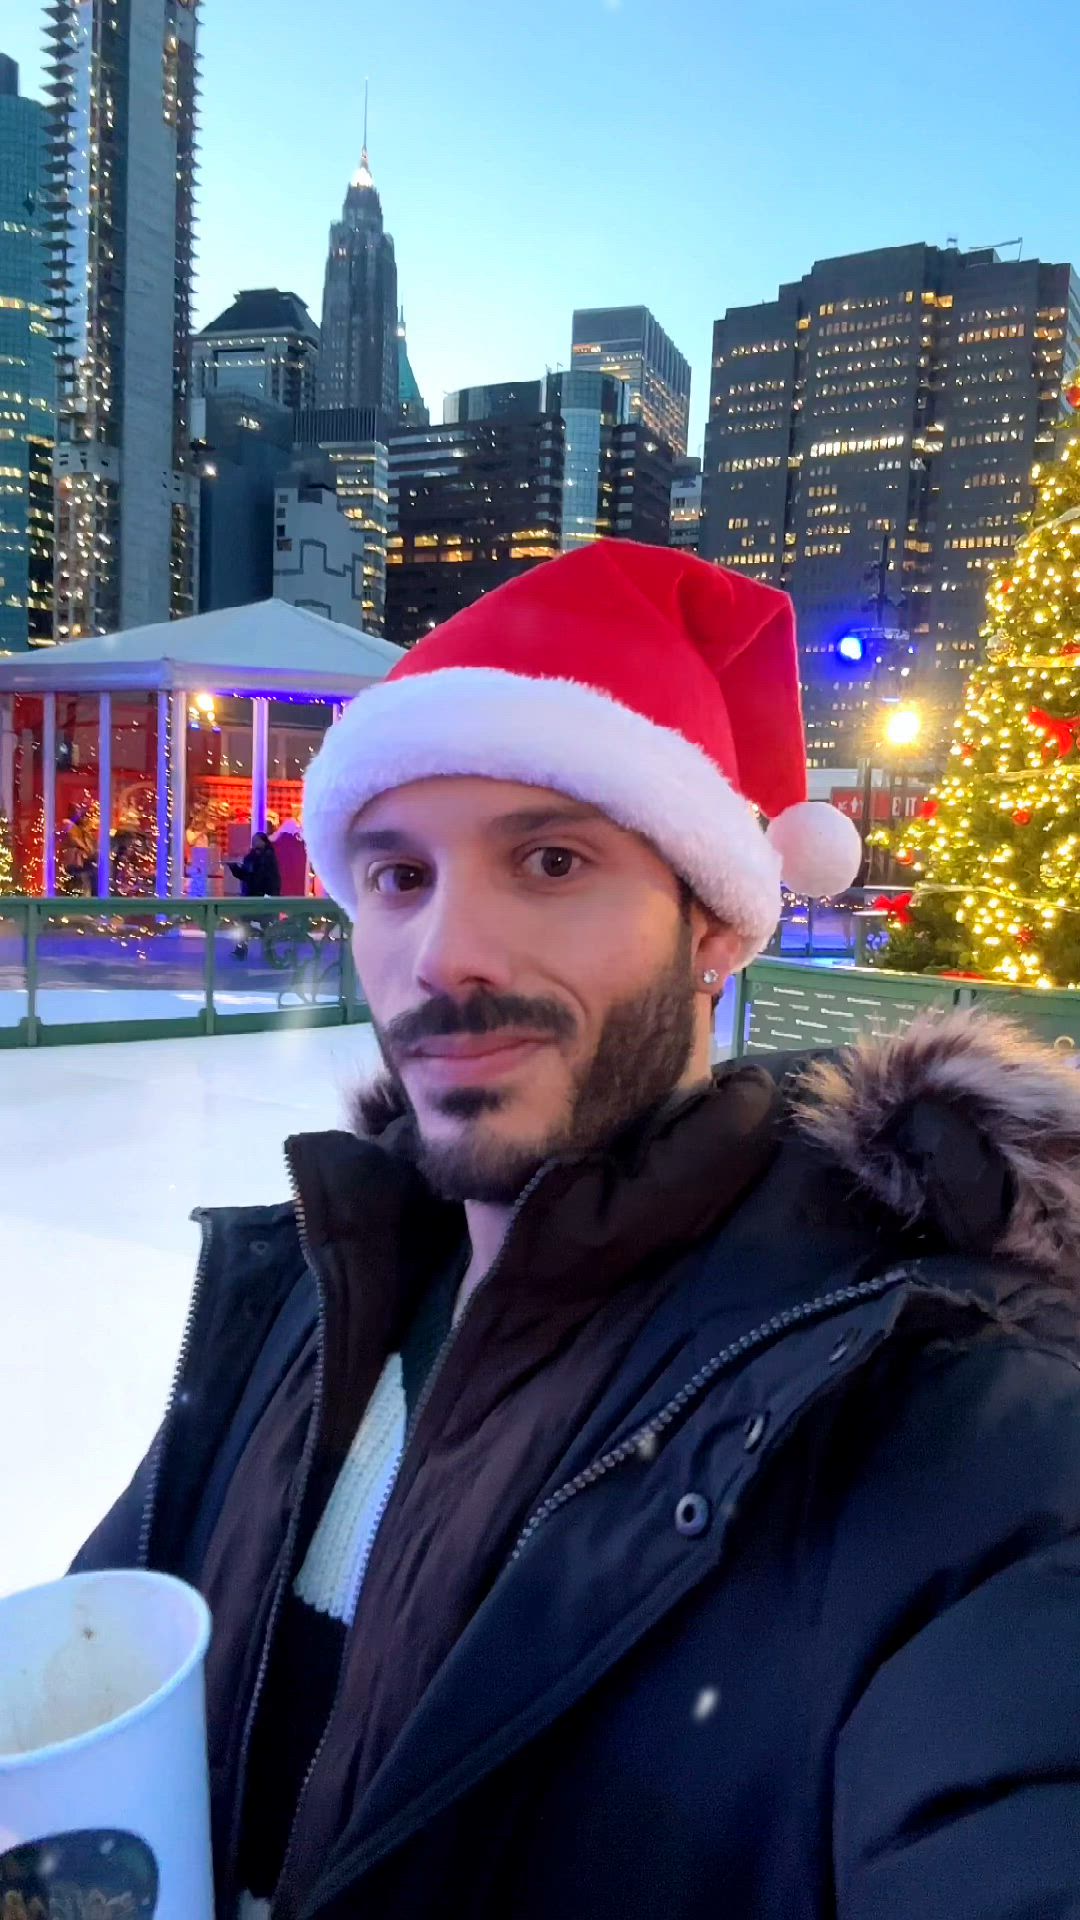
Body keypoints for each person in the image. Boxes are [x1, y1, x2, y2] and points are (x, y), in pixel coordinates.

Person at [71, 542, 1080, 1920]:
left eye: (551, 860)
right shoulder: (297, 1306)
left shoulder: (956, 1416)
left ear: (716, 924)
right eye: (396, 877)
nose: (444, 955)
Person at [228, 831, 282, 958]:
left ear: (263, 842)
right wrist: (234, 868)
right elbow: (246, 876)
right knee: (243, 922)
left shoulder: (268, 858)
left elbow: (270, 879)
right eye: (253, 840)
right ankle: (241, 949)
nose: (254, 842)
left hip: (263, 898)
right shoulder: (250, 857)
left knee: (265, 924)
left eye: (256, 840)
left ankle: (269, 951)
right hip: (250, 896)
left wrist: (271, 896)